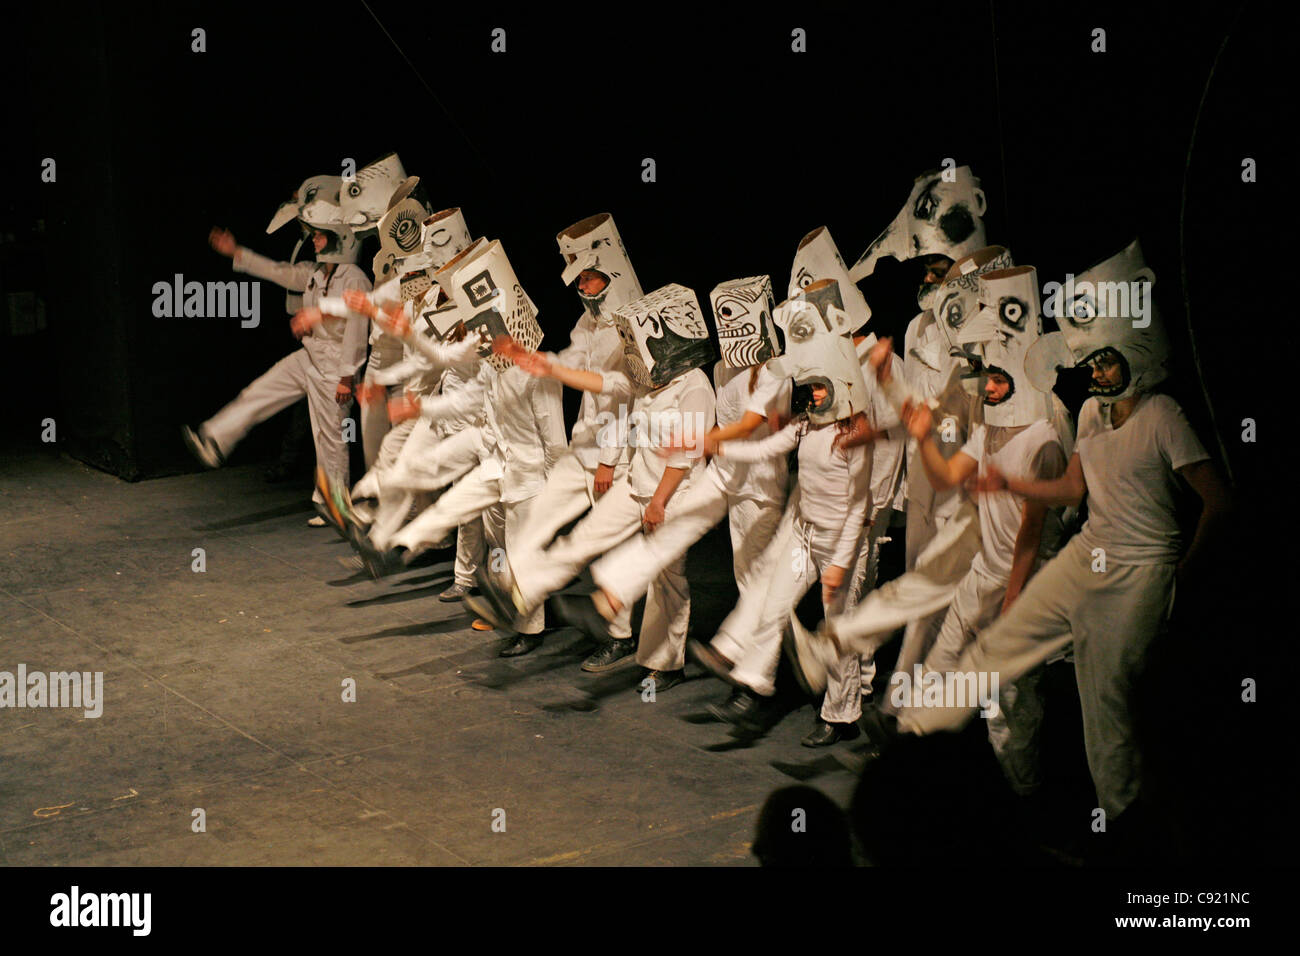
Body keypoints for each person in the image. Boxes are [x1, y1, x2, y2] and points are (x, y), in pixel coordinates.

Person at [478, 283, 717, 692]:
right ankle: (520, 591)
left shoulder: (695, 386)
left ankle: (666, 664)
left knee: (666, 580)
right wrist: (544, 365)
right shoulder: (646, 383)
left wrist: (658, 503)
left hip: (672, 494)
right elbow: (601, 381)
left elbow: (685, 455)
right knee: (587, 536)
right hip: (638, 481)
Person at [462, 214, 643, 661]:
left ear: (612, 273)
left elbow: (626, 394)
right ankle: (521, 606)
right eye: (580, 276)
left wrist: (609, 460)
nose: (583, 284)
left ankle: (620, 637)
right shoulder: (586, 326)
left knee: (605, 549)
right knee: (533, 525)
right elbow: (568, 366)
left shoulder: (633, 326)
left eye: (591, 275)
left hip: (613, 457)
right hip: (582, 449)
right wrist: (529, 357)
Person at [183, 175, 370, 524]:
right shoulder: (314, 272)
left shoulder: (354, 278)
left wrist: (348, 375)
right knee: (261, 390)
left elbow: (358, 332)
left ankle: (337, 508)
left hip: (335, 366)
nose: (312, 239)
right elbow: (278, 271)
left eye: (318, 234)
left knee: (330, 438)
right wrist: (236, 252)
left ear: (336, 238)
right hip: (312, 355)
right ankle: (216, 438)